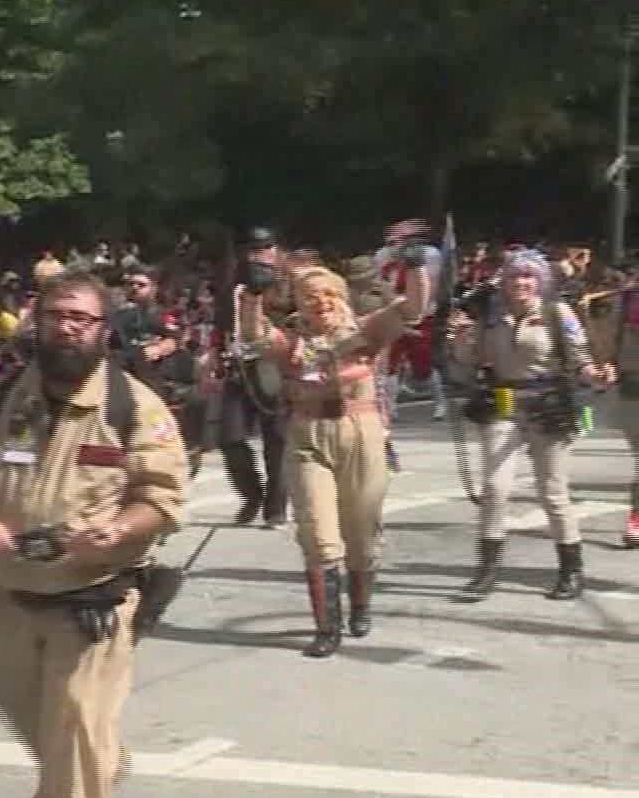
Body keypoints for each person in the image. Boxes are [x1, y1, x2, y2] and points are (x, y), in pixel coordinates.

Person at [0, 272, 188, 798]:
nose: (68, 328)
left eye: (82, 319)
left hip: (92, 596)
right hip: (11, 593)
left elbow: (162, 496)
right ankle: (98, 767)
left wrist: (121, 530)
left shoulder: (133, 406)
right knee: (26, 710)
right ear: (36, 322)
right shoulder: (3, 400)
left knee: (75, 718)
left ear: (105, 330)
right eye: (56, 316)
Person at [240, 253, 431, 657]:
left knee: (361, 535)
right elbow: (255, 334)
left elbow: (413, 308)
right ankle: (328, 627)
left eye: (328, 293)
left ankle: (360, 603)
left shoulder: (366, 330)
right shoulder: (294, 341)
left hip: (360, 433)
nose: (320, 301)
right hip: (308, 436)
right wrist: (253, 294)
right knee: (318, 535)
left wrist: (415, 269)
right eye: (309, 296)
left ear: (342, 296)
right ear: (298, 302)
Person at [450, 249, 598, 601]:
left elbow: (581, 357)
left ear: (540, 280)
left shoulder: (556, 312)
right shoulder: (488, 317)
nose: (522, 283)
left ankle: (570, 570)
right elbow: (467, 367)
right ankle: (486, 572)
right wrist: (461, 342)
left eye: (529, 276)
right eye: (516, 276)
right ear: (505, 281)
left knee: (553, 492)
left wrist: (593, 373)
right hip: (502, 404)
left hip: (548, 406)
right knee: (495, 489)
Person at [216, 228, 291, 529]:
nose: (257, 254)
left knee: (277, 441)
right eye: (252, 249)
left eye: (264, 248)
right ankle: (251, 494)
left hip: (273, 365)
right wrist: (214, 358)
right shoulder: (233, 285)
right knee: (230, 437)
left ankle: (276, 508)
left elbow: (297, 323)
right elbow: (221, 325)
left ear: (275, 251)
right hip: (238, 369)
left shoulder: (287, 285)